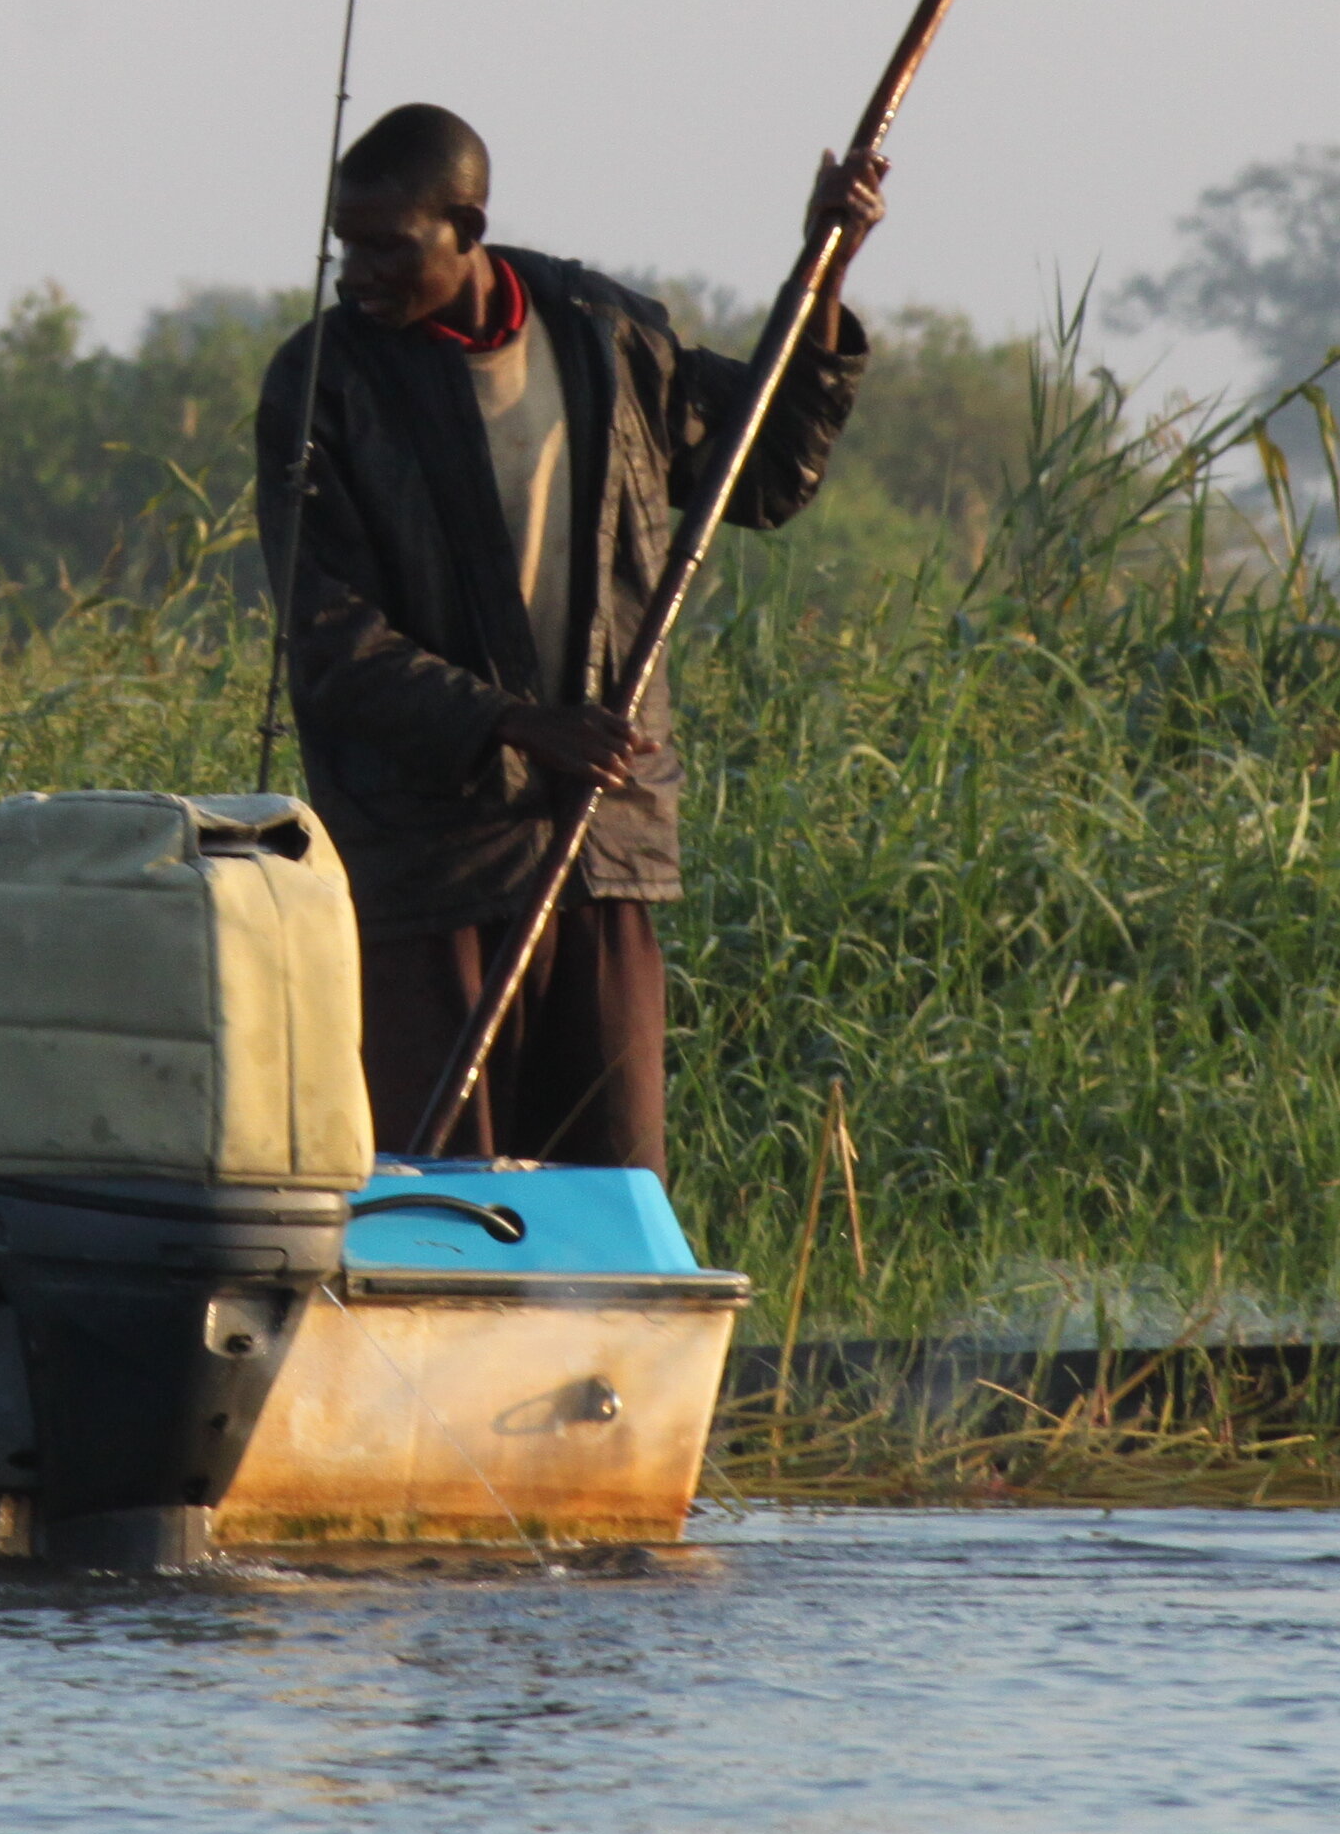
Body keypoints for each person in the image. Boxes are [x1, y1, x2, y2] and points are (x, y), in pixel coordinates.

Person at [251, 100, 878, 1171]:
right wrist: (513, 724)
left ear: (468, 226)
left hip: (603, 840)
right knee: (439, 1196)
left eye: (388, 247)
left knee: (610, 1186)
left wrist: (822, 280)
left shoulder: (604, 333)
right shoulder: (323, 385)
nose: (357, 275)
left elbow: (767, 470)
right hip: (425, 868)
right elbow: (329, 644)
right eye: (343, 248)